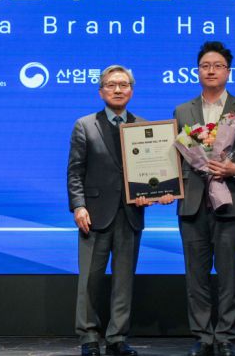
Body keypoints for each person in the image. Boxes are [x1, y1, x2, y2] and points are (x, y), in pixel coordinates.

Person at [67, 64, 172, 356]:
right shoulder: (85, 125)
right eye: (111, 85)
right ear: (101, 91)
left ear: (131, 91)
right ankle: (89, 336)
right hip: (94, 214)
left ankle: (117, 337)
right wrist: (78, 206)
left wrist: (157, 192)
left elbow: (154, 173)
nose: (117, 89)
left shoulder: (145, 127)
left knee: (124, 280)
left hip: (131, 214)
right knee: (90, 280)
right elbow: (75, 172)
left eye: (123, 85)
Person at [174, 42, 235, 356]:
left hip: (232, 202)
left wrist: (234, 168)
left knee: (230, 276)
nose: (210, 71)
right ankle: (202, 337)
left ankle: (225, 337)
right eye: (205, 66)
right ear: (197, 71)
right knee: (196, 276)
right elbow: (176, 155)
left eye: (217, 66)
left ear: (228, 71)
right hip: (193, 204)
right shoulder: (183, 111)